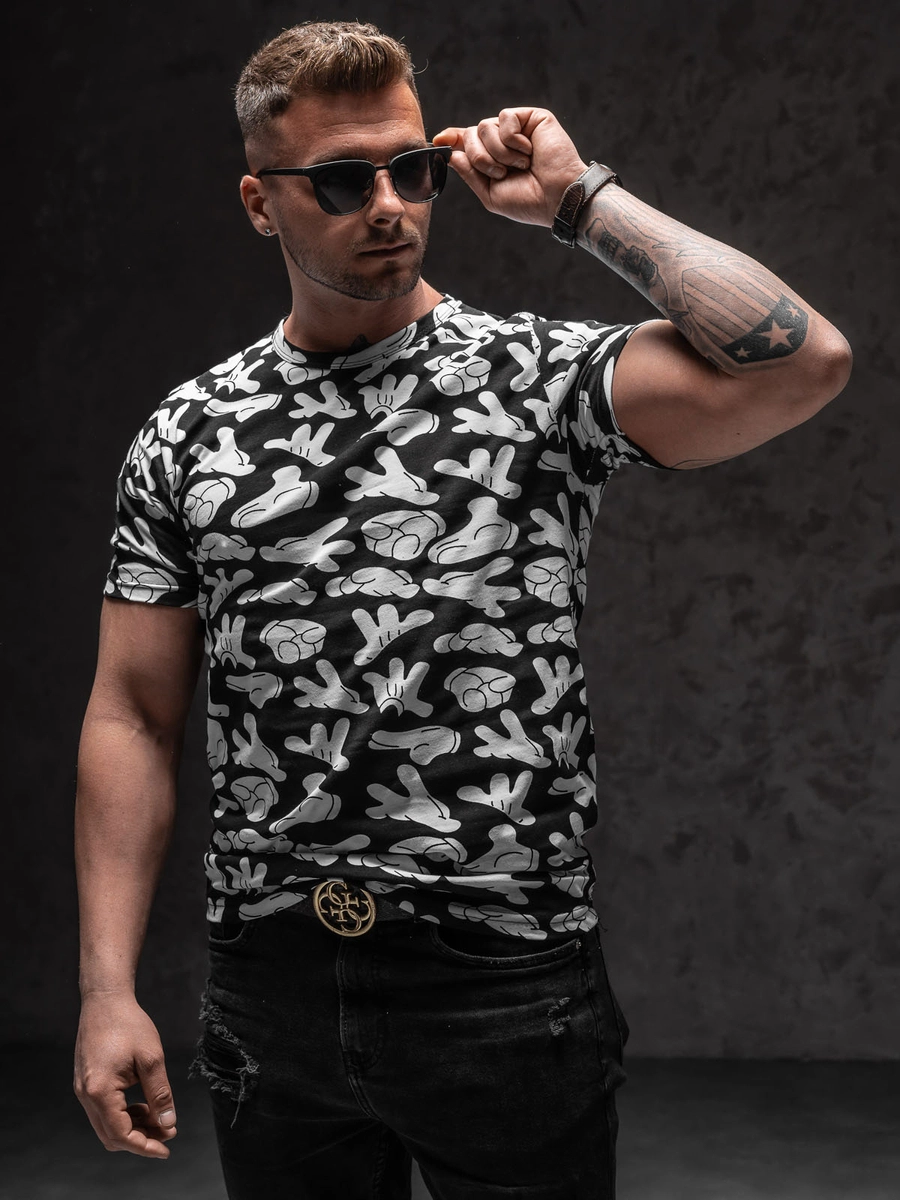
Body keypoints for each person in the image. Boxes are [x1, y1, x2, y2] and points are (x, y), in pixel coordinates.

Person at [72, 19, 851, 1200]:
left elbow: (804, 361)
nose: (389, 205)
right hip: (270, 981)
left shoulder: (539, 381)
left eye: (411, 168)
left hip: (502, 974)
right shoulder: (187, 434)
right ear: (259, 203)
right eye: (343, 180)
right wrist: (106, 989)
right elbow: (132, 715)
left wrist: (581, 202)